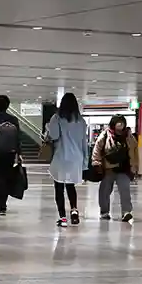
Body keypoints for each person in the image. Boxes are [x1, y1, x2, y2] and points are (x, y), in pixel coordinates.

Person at [45, 92, 88, 228]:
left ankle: (63, 218)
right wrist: (85, 162)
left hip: (61, 157)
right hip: (76, 158)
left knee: (59, 188)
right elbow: (84, 143)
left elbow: (54, 135)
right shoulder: (81, 121)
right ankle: (74, 210)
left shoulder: (57, 118)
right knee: (70, 186)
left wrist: (48, 129)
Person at [92, 114, 138, 223]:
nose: (120, 125)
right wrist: (96, 162)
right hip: (109, 168)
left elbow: (135, 152)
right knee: (105, 190)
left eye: (121, 123)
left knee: (125, 190)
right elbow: (97, 149)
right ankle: (104, 211)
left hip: (124, 168)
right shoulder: (105, 135)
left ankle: (126, 212)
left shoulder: (129, 136)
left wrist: (134, 167)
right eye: (118, 123)